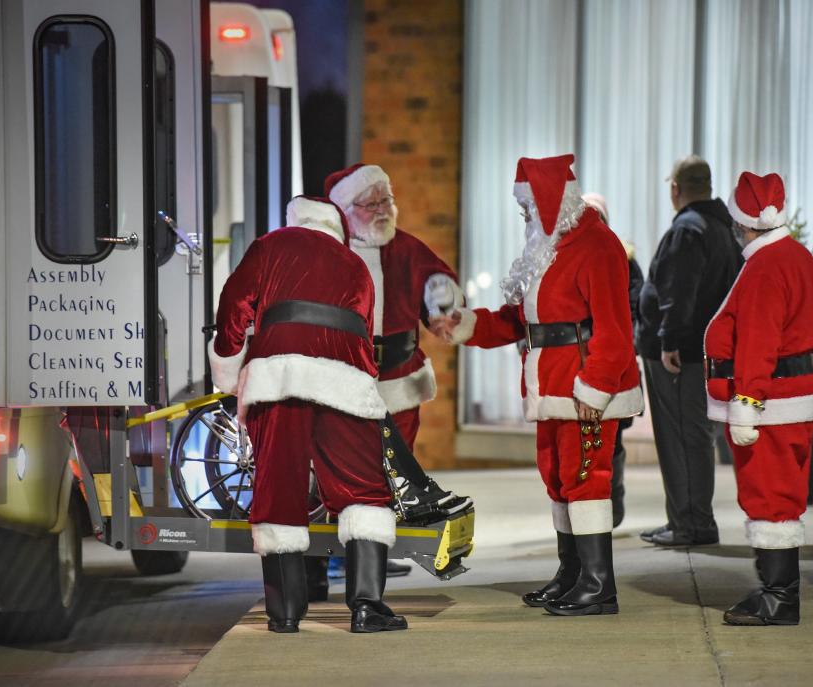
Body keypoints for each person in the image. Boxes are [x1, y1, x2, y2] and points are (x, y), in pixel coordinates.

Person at [432, 155, 643, 616]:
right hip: (551, 386)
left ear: (551, 204)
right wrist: (465, 324)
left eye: (529, 209)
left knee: (587, 478)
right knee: (558, 477)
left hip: (583, 388)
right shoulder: (548, 250)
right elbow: (519, 322)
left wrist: (596, 388)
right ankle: (572, 575)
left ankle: (598, 584)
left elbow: (614, 328)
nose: (525, 217)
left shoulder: (598, 247)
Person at [209, 195, 408, 634]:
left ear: (294, 221)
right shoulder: (355, 263)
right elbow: (365, 328)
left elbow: (234, 305)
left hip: (278, 378)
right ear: (336, 227)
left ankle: (284, 615)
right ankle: (366, 608)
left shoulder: (270, 246)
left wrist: (227, 367)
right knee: (364, 489)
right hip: (345, 381)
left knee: (278, 486)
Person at [705, 171, 813, 625]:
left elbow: (757, 342)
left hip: (770, 402)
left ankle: (780, 597)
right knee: (781, 497)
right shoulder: (796, 257)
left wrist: (746, 405)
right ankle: (775, 591)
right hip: (791, 396)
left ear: (743, 220)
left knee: (769, 497)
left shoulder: (765, 266)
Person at [325, 163, 465, 506]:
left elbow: (440, 284)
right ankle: (345, 552)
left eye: (386, 200)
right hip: (344, 375)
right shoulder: (330, 252)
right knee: (348, 467)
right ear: (346, 211)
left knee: (399, 469)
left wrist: (442, 307)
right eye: (371, 205)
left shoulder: (407, 248)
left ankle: (383, 547)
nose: (382, 211)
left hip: (399, 375)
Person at [637, 155, 742, 547]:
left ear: (676, 189)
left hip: (682, 355)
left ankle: (690, 524)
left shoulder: (688, 229)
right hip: (706, 352)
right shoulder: (723, 227)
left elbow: (678, 292)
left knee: (680, 436)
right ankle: (693, 520)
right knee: (695, 435)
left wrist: (669, 342)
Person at [581, 192, 644, 528]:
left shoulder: (622, 258)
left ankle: (612, 497)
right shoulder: (570, 257)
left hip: (613, 362)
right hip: (581, 363)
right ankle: (594, 503)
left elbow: (633, 310)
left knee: (613, 436)